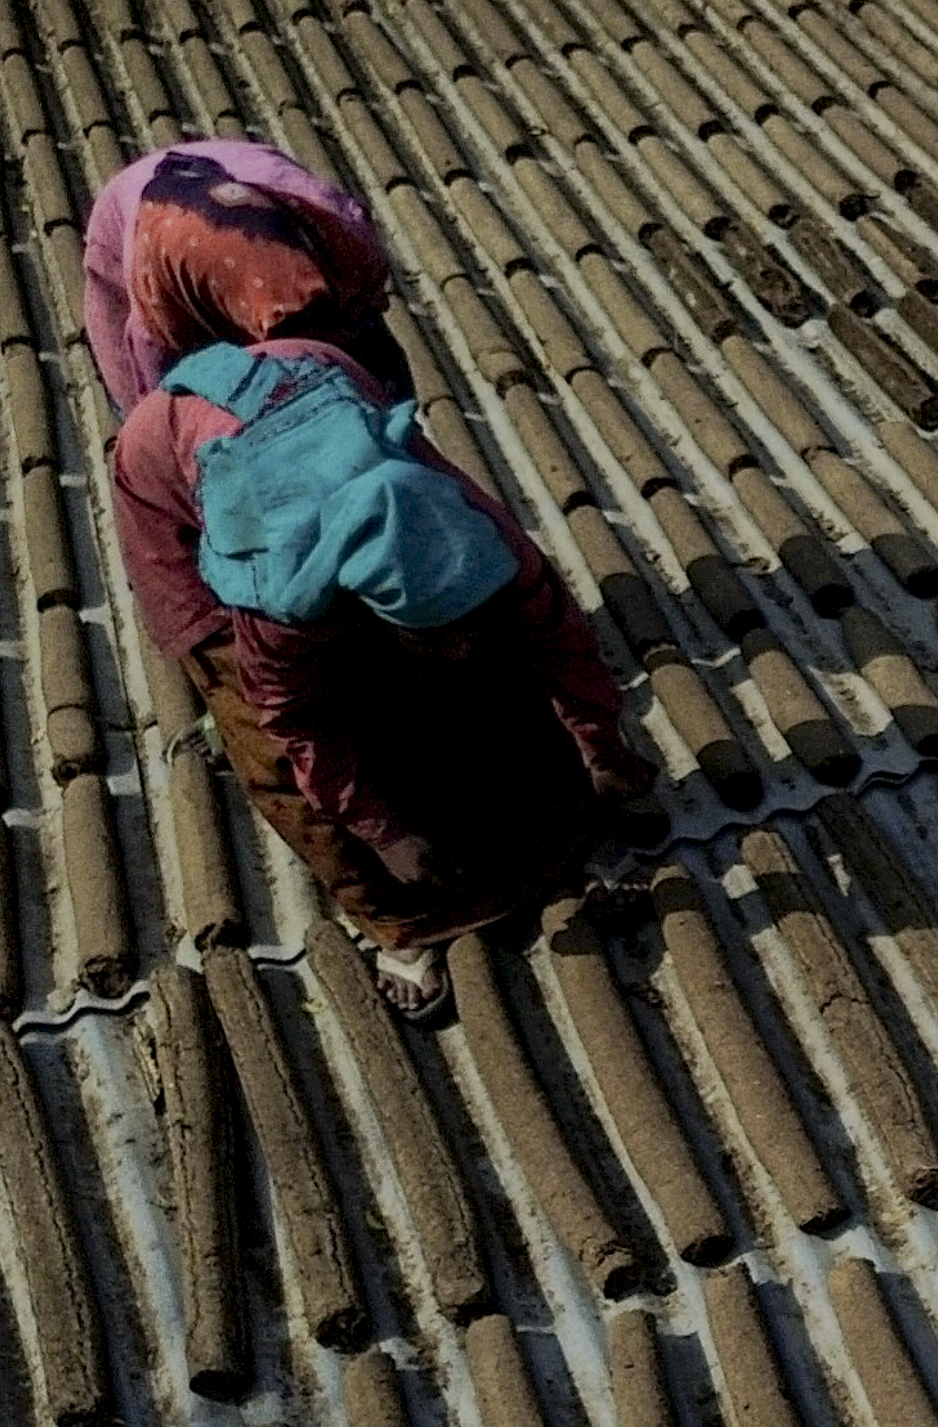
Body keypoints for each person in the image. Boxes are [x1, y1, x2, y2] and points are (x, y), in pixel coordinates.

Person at [107, 335, 659, 1018]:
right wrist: (385, 834)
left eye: (466, 623)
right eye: (437, 635)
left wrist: (603, 750)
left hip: (314, 373)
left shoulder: (476, 530)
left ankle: (564, 845)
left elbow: (561, 640)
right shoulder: (279, 599)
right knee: (261, 731)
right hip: (174, 470)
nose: (460, 647)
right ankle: (403, 927)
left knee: (487, 680)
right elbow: (295, 723)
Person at [80, 138, 416, 416]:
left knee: (382, 385)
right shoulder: (156, 296)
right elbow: (152, 386)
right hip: (158, 227)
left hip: (251, 178)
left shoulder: (343, 237)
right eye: (284, 332)